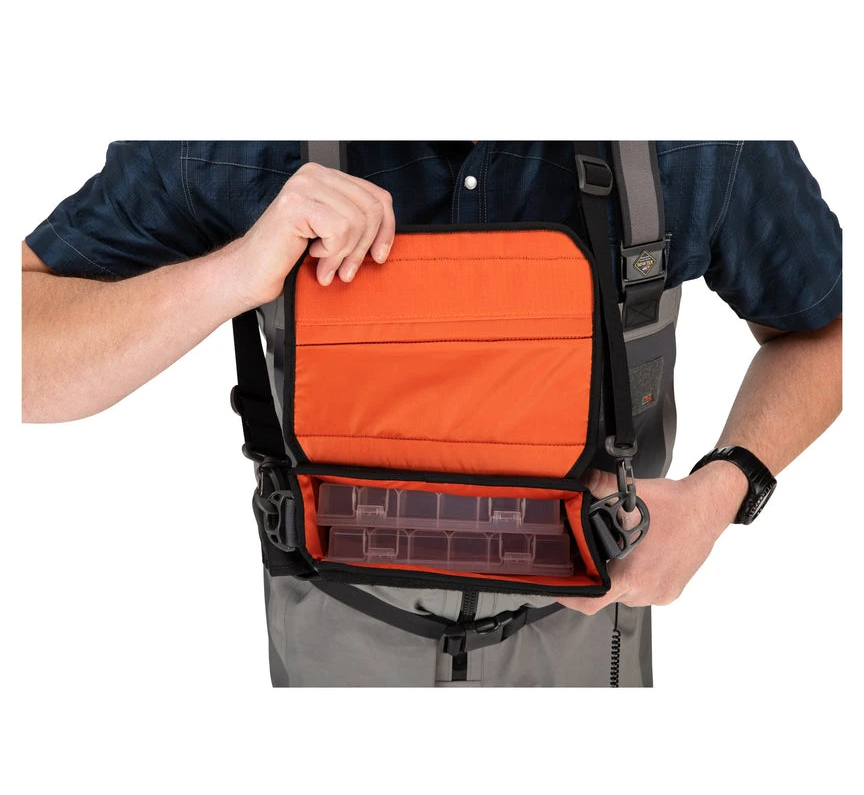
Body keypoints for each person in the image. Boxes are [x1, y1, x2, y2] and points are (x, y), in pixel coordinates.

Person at [21, 141, 843, 687]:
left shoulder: (690, 141)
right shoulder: (239, 138)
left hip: (588, 635)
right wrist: (234, 272)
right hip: (333, 637)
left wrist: (721, 492)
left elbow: (834, 330)